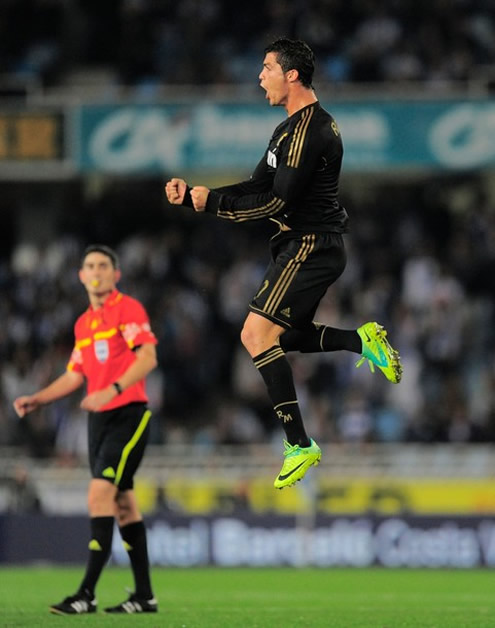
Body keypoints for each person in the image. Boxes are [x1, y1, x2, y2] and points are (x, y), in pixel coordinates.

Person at [165, 38, 402, 490]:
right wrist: (198, 195)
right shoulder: (287, 129)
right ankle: (360, 341)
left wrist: (212, 205)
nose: (259, 76)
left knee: (254, 334)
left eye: (267, 67)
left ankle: (299, 443)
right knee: (283, 336)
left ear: (291, 75)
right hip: (305, 244)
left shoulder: (312, 130)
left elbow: (276, 199)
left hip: (311, 244)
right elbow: (258, 183)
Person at [13, 244, 159, 615]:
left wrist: (113, 389)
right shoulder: (84, 323)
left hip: (128, 413)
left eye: (103, 266)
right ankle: (144, 596)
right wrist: (38, 399)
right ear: (81, 276)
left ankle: (86, 594)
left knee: (99, 495)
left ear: (115, 274)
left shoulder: (128, 310)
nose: (95, 271)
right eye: (89, 266)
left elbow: (147, 357)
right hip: (99, 419)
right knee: (123, 503)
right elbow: (75, 374)